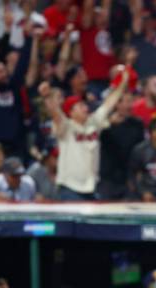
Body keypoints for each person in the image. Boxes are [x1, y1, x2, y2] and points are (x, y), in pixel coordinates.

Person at [40, 67, 129, 201]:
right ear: (70, 112)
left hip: (91, 187)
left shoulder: (93, 122)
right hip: (69, 188)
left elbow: (109, 103)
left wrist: (123, 83)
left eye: (85, 105)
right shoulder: (66, 126)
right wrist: (47, 96)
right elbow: (56, 113)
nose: (86, 108)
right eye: (80, 106)